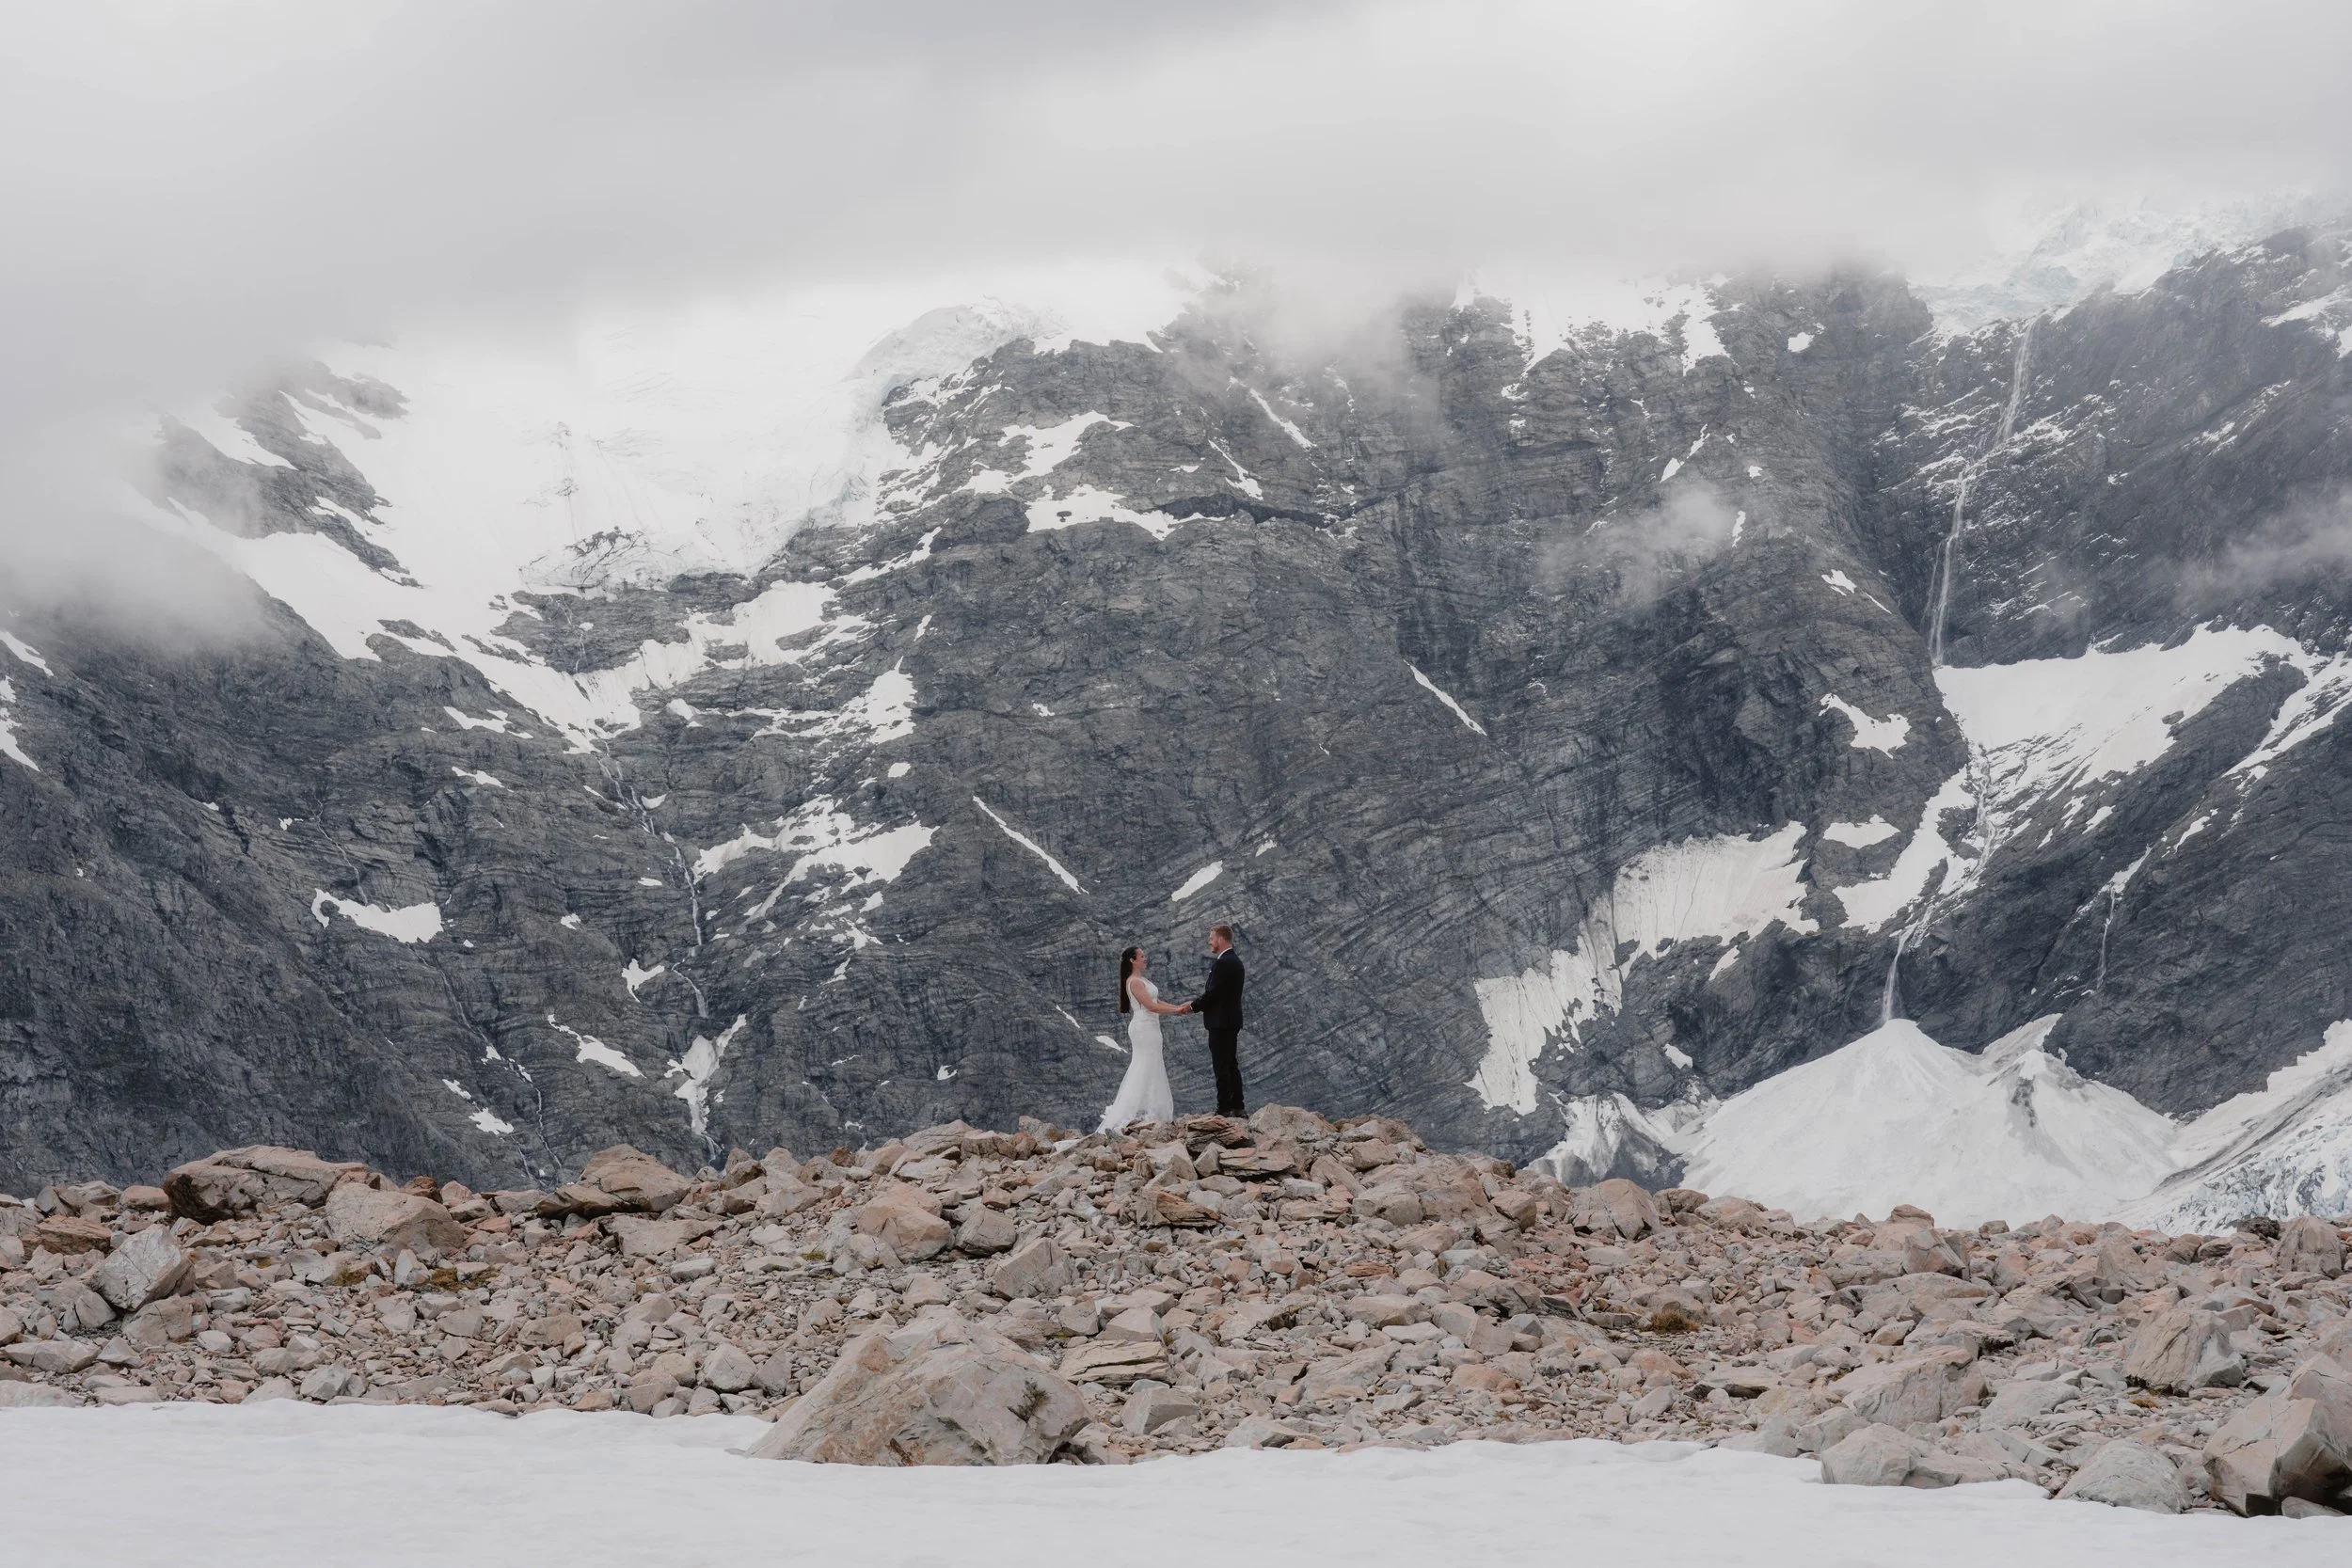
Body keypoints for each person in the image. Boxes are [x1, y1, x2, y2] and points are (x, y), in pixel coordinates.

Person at [1098, 945, 1182, 1132]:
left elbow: (1156, 1001)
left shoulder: (1141, 980)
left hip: (1151, 1027)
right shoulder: (1134, 982)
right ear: (1132, 960)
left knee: (1152, 1064)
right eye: (1142, 956)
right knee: (1144, 1065)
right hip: (1144, 1028)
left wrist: (1177, 1007)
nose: (1145, 958)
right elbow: (1150, 1006)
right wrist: (1177, 1010)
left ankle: (1149, 1111)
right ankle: (1139, 1112)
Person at [1178, 923, 1248, 1117]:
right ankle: (1237, 1105)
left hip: (1220, 1022)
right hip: (1231, 1021)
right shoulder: (1235, 961)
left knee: (1221, 1065)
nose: (1210, 941)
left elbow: (1213, 993)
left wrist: (1193, 1006)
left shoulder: (1223, 963)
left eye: (1212, 938)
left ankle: (1224, 1107)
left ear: (1221, 939)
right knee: (1231, 1063)